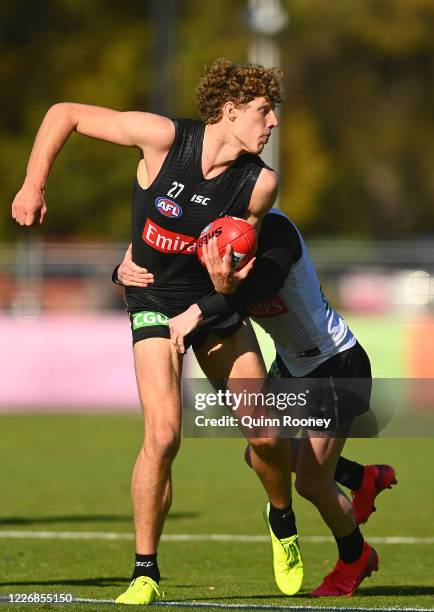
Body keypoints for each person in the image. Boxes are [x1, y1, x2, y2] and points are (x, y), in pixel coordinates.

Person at [11, 59, 306, 605]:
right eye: (264, 112)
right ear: (230, 111)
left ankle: (282, 519)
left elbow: (240, 270)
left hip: (210, 307)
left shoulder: (259, 183)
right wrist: (33, 184)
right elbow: (65, 113)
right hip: (150, 299)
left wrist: (225, 280)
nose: (273, 124)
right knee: (164, 434)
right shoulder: (164, 138)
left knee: (265, 436)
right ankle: (145, 570)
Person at [115, 208, 397, 597]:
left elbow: (259, 284)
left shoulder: (278, 232)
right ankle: (358, 478)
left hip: (334, 366)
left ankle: (355, 557)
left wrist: (198, 310)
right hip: (292, 366)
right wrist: (125, 269)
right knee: (263, 452)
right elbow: (170, 262)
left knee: (312, 484)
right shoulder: (216, 228)